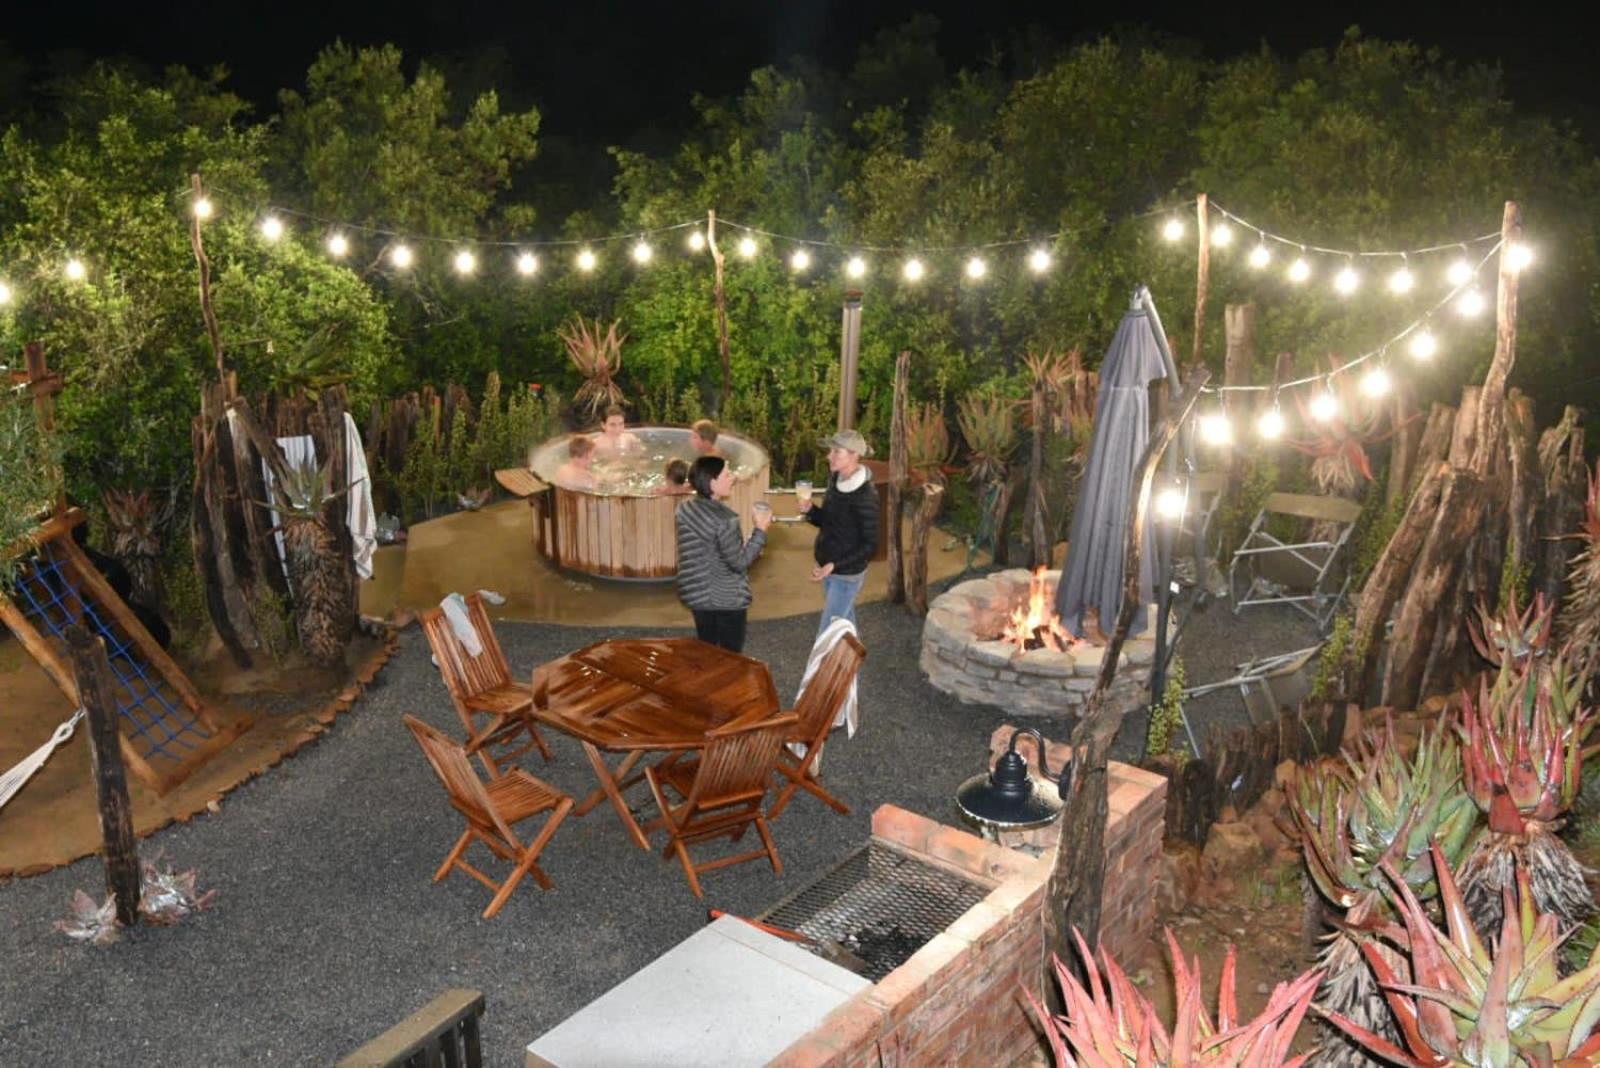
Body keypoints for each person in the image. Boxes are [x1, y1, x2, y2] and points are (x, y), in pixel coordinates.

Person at [675, 455, 771, 652]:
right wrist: (761, 530)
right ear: (712, 482)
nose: (732, 478)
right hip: (726, 599)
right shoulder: (725, 520)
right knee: (730, 656)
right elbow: (739, 562)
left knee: (708, 650)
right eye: (727, 475)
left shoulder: (684, 509)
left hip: (697, 594)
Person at [799, 429, 879, 638]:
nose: (829, 456)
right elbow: (828, 522)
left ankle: (821, 663)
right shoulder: (835, 480)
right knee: (845, 627)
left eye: (836, 452)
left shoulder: (866, 495)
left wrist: (835, 565)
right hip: (828, 568)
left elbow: (870, 545)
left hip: (846, 575)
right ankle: (854, 660)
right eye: (830, 451)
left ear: (854, 455)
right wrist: (811, 511)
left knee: (827, 635)